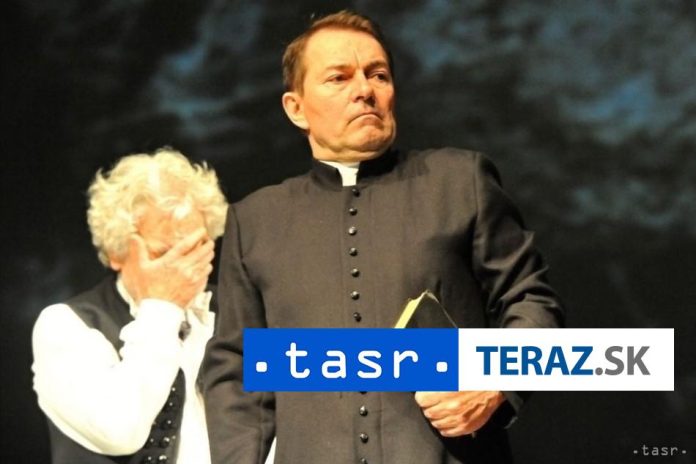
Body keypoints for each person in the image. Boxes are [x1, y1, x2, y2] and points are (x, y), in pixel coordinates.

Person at [203, 10, 564, 464]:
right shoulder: (254, 220)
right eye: (339, 78)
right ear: (295, 108)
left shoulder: (458, 181)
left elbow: (530, 299)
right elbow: (236, 370)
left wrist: (494, 381)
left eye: (378, 75)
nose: (364, 90)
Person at [32, 148, 228, 464]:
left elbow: (306, 393)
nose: (186, 267)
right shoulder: (64, 327)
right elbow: (120, 430)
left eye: (198, 246)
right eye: (164, 253)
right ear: (116, 252)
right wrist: (163, 306)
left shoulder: (242, 312)